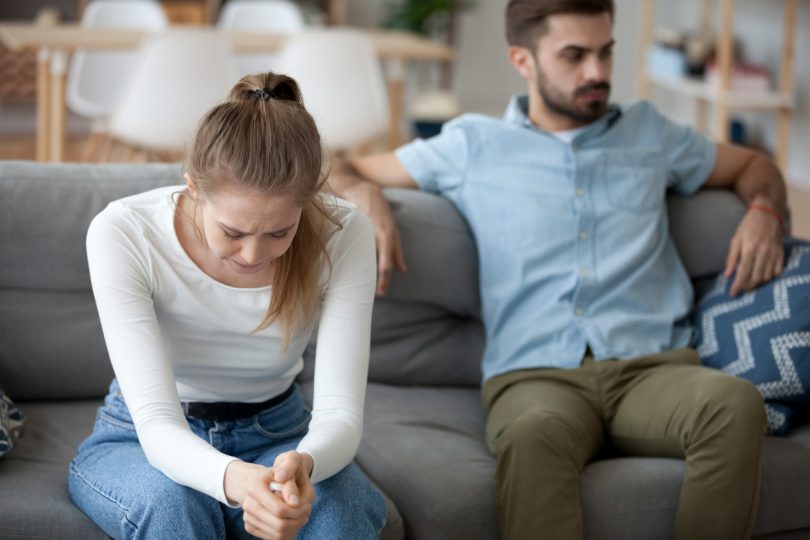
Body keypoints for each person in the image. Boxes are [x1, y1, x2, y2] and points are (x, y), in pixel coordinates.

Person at [327, 1, 789, 538]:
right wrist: (364, 193)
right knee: (532, 437)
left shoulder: (651, 133)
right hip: (534, 379)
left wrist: (764, 211)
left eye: (605, 52)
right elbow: (343, 165)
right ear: (523, 59)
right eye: (574, 55)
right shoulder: (472, 144)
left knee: (734, 403)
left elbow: (756, 167)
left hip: (653, 370)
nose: (596, 72)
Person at [68, 72, 387, 540]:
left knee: (339, 514)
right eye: (233, 232)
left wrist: (304, 463)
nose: (253, 256)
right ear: (194, 188)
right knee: (171, 508)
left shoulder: (345, 234)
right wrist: (235, 480)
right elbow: (157, 425)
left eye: (280, 232)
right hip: (139, 437)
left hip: (281, 434)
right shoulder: (124, 232)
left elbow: (340, 413)